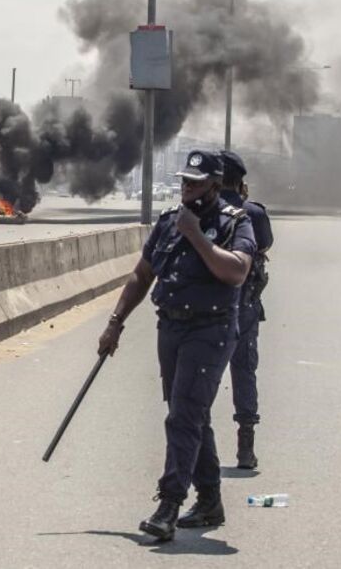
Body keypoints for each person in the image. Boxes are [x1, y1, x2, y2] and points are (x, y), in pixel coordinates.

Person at [97, 150, 256, 542]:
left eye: (196, 183)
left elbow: (236, 271)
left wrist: (197, 236)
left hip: (211, 330)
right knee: (189, 413)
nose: (187, 189)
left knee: (183, 415)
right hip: (171, 328)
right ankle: (210, 499)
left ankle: (169, 504)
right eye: (184, 182)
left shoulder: (235, 223)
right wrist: (115, 323)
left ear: (215, 186)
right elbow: (142, 274)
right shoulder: (168, 222)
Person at [219, 150, 274, 470]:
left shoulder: (202, 211)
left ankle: (196, 448)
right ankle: (245, 447)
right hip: (245, 305)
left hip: (206, 306)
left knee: (199, 379)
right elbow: (264, 246)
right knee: (244, 371)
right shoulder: (253, 213)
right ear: (240, 182)